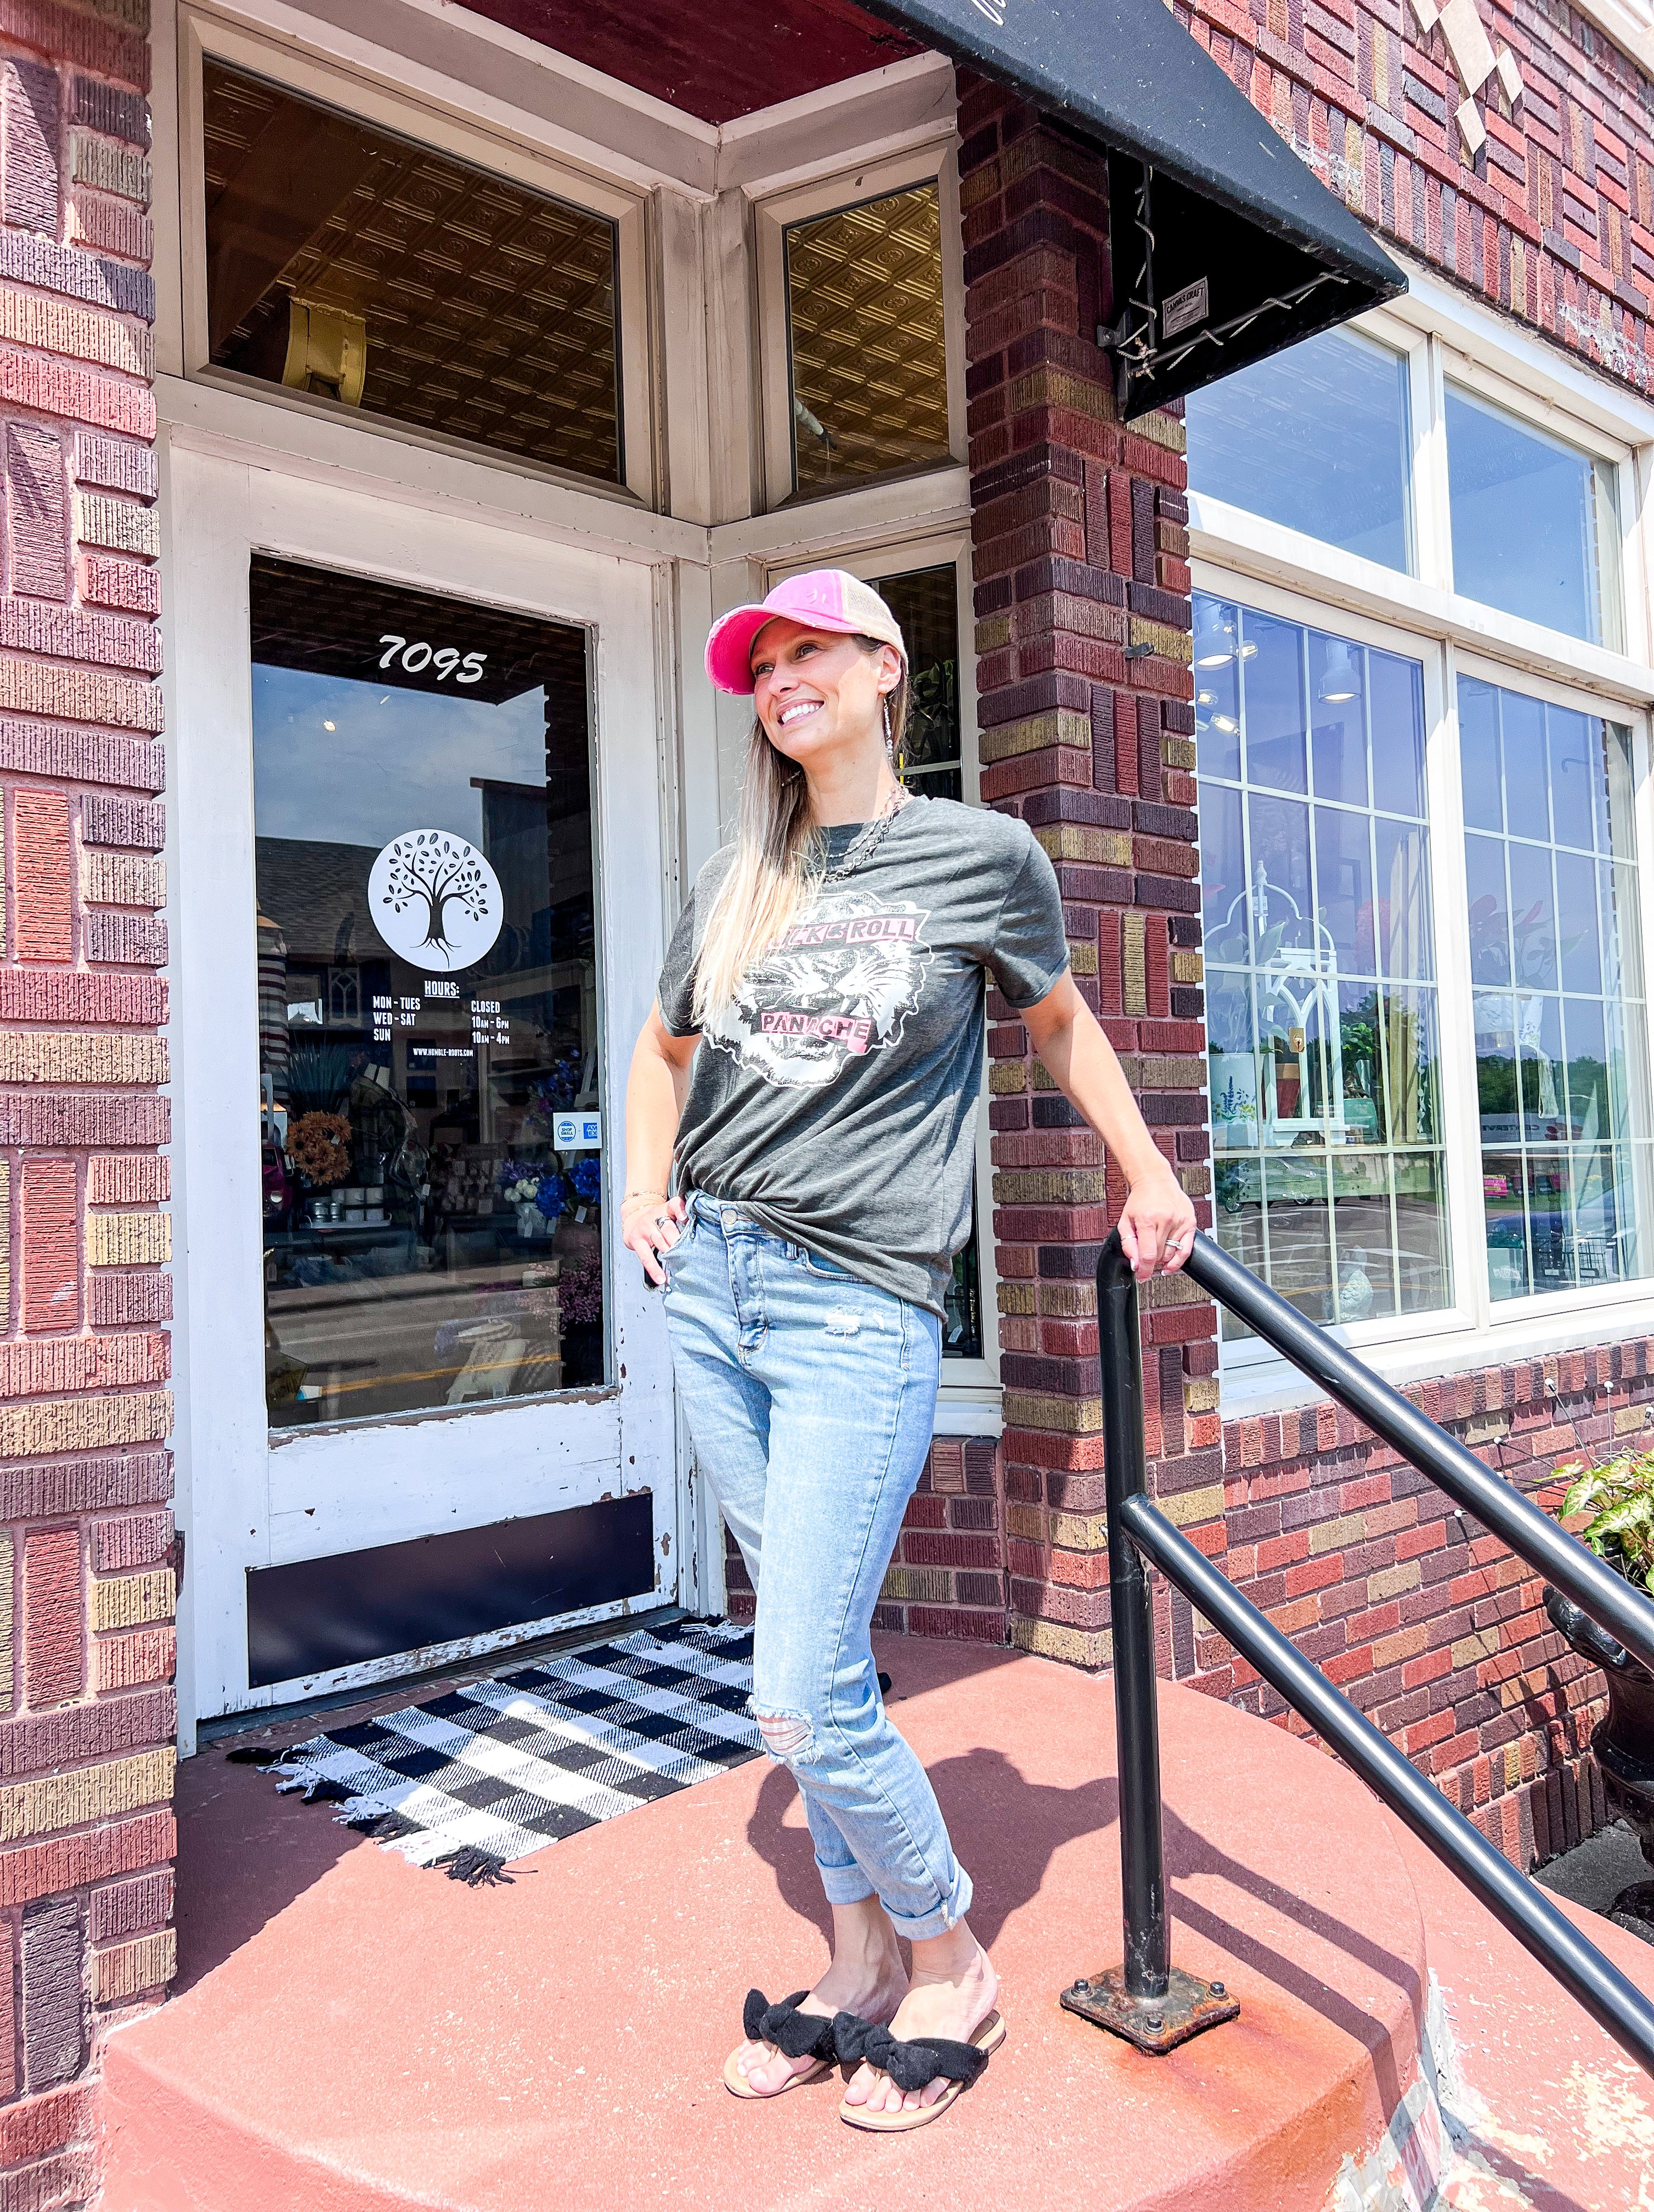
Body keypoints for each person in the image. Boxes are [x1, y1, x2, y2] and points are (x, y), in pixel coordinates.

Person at [621, 569, 1195, 2133]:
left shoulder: (981, 857)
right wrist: (637, 1190)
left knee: (799, 1687)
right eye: (765, 664)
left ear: (885, 669)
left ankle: (952, 1962)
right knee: (803, 1662)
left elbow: (1061, 1019)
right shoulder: (748, 879)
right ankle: (859, 1950)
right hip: (715, 1292)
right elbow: (662, 1051)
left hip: (853, 1307)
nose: (785, 678)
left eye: (812, 652)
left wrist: (1146, 1168)